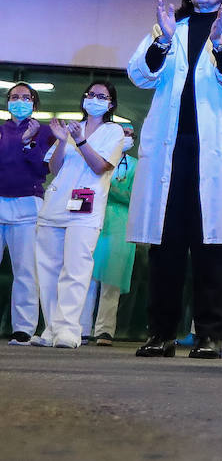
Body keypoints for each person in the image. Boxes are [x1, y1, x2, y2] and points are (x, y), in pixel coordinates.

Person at [127, 0, 222, 360]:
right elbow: (140, 74)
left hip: (215, 154)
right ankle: (161, 333)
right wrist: (163, 40)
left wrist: (221, 44)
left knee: (211, 246)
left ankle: (209, 335)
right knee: (165, 246)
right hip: (172, 150)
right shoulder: (170, 27)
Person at [33, 83, 124, 348]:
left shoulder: (113, 131)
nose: (94, 99)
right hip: (56, 204)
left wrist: (81, 140)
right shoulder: (71, 129)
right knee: (49, 271)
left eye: (101, 96)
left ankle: (69, 329)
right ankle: (51, 328)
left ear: (110, 104)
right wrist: (63, 141)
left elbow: (99, 167)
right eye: (90, 95)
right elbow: (54, 167)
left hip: (86, 208)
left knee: (76, 268)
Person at [2, 82, 55, 345]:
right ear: (7, 101)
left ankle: (23, 328)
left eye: (25, 97)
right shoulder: (0, 130)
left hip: (27, 205)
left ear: (34, 102)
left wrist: (27, 144)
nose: (19, 101)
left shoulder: (44, 132)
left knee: (25, 270)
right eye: (14, 97)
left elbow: (43, 169)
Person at [90, 132, 138, 345]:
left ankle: (104, 330)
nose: (127, 137)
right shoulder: (94, 157)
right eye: (123, 133)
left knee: (111, 279)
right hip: (92, 218)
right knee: (86, 277)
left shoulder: (137, 166)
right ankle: (79, 327)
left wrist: (110, 188)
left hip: (120, 223)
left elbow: (137, 197)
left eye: (131, 134)